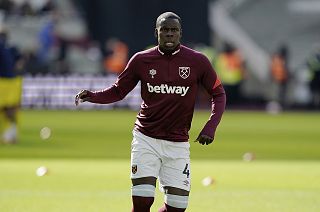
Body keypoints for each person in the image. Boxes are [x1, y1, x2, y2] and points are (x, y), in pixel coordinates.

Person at [75, 12, 226, 212]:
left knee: (177, 207)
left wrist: (211, 126)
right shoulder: (141, 60)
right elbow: (119, 91)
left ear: (180, 33)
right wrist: (93, 96)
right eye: (165, 30)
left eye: (174, 30)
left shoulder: (198, 61)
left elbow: (219, 94)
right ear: (157, 33)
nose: (169, 34)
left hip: (178, 143)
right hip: (146, 139)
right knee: (142, 201)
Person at [0, 27, 23, 144]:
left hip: (5, 82)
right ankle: (11, 133)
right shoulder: (11, 48)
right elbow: (19, 63)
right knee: (9, 108)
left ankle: (10, 133)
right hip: (12, 80)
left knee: (6, 108)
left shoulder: (6, 47)